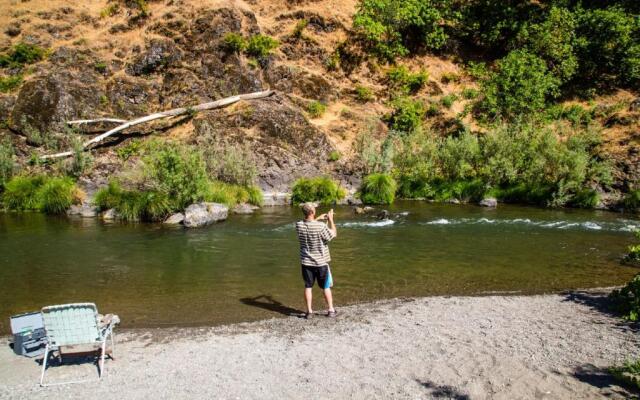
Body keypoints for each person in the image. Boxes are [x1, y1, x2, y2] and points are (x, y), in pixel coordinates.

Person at [295, 202, 337, 319]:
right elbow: (333, 234)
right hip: (321, 262)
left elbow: (309, 224)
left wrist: (319, 219)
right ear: (313, 212)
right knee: (325, 286)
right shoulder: (320, 226)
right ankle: (331, 310)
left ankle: (309, 312)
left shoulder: (298, 225)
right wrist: (331, 219)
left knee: (308, 286)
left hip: (306, 262)